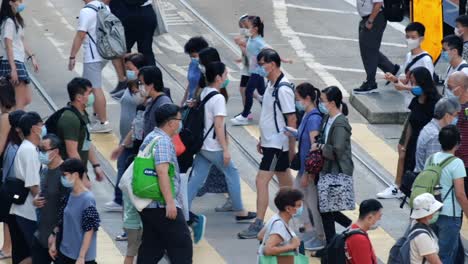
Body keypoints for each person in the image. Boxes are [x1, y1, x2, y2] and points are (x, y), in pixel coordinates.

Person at [187, 62, 256, 229]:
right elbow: (219, 126)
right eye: (225, 75)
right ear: (218, 77)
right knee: (232, 173)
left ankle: (184, 208)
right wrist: (225, 149)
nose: (226, 78)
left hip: (202, 144)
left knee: (197, 178)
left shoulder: (205, 92)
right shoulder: (218, 98)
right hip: (213, 145)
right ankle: (239, 211)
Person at [238, 49, 295, 239]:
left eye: (262, 64)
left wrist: (291, 149)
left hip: (277, 145)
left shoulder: (283, 88)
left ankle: (259, 223)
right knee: (287, 185)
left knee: (261, 181)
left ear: (272, 64)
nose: (260, 67)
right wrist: (263, 138)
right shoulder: (271, 85)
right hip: (271, 142)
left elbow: (291, 119)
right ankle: (305, 218)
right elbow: (270, 115)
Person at [136, 104, 192, 264]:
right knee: (183, 247)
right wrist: (170, 203)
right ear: (170, 122)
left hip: (149, 204)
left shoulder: (151, 137)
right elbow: (162, 171)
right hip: (161, 205)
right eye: (179, 120)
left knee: (152, 248)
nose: (181, 123)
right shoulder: (163, 142)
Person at [377, 67, 441, 199]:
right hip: (413, 139)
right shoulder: (416, 100)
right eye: (411, 82)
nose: (413, 86)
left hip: (428, 142)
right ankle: (399, 187)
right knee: (406, 161)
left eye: (415, 83)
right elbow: (411, 123)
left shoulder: (436, 103)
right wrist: (404, 144)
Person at [104, 53, 148, 213]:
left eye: (130, 68)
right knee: (122, 167)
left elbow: (140, 116)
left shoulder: (143, 90)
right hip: (126, 137)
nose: (127, 71)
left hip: (134, 138)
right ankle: (119, 199)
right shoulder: (131, 85)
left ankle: (123, 200)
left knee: (126, 169)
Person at [285, 82, 325, 250]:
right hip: (303, 169)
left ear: (308, 99)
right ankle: (311, 231)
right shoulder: (308, 115)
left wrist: (308, 174)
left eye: (298, 99)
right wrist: (293, 133)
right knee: (302, 201)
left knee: (311, 204)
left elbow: (314, 146)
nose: (296, 102)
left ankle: (320, 237)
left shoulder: (314, 118)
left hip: (308, 171)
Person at [231, 16, 292, 125]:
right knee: (263, 93)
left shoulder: (259, 41)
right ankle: (278, 110)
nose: (246, 29)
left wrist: (284, 60)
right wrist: (241, 53)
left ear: (255, 29)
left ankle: (245, 115)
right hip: (253, 70)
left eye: (248, 27)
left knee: (249, 91)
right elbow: (250, 52)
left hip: (258, 71)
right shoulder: (251, 39)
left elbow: (271, 51)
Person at [312, 86, 353, 243]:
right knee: (325, 208)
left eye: (323, 101)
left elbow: (337, 151)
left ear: (333, 103)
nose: (320, 103)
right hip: (325, 169)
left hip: (336, 171)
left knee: (327, 208)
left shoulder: (340, 123)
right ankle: (331, 244)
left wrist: (320, 147)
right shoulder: (327, 118)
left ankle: (351, 227)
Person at [68, 0, 112, 133]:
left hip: (93, 56)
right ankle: (96, 116)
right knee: (91, 86)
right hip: (105, 52)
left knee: (94, 87)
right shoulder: (104, 7)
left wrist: (72, 56)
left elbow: (80, 35)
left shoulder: (86, 11)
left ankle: (103, 122)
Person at [48, 159, 100, 264]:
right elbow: (61, 221)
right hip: (64, 252)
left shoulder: (87, 199)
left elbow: (89, 229)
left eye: (64, 175)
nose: (62, 178)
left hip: (80, 258)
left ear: (75, 175)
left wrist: (81, 257)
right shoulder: (68, 194)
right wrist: (54, 241)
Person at [8, 111, 44, 264]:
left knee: (32, 254)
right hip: (29, 212)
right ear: (35, 128)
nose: (43, 128)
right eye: (41, 125)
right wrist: (44, 205)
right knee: (38, 255)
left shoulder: (28, 148)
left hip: (24, 211)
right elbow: (33, 184)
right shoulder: (29, 151)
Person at [56, 78, 105, 187]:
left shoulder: (82, 113)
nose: (92, 96)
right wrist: (83, 178)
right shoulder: (70, 118)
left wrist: (96, 165)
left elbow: (86, 141)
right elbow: (72, 152)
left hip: (77, 172)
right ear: (79, 97)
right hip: (70, 175)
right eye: (89, 93)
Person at [429, 125, 468, 263]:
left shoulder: (432, 159)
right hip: (450, 215)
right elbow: (460, 194)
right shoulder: (457, 163)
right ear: (457, 143)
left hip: (432, 212)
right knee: (445, 257)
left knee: (434, 254)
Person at [31, 134, 68, 264]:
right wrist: (36, 199)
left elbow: (67, 208)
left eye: (43, 149)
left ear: (56, 151)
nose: (40, 153)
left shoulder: (65, 175)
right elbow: (44, 193)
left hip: (57, 239)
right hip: (41, 234)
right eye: (39, 149)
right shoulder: (45, 171)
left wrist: (55, 233)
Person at [353, 0, 399, 94]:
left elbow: (378, 3)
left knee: (369, 52)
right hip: (369, 18)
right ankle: (392, 69)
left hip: (374, 19)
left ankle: (371, 83)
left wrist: (370, 20)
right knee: (370, 50)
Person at [0, 0, 39, 109]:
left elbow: (21, 40)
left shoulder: (16, 20)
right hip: (13, 62)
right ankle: (15, 123)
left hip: (17, 61)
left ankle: (11, 119)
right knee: (19, 102)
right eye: (19, 1)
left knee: (25, 99)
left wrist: (32, 56)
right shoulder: (9, 22)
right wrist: (13, 68)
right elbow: (8, 45)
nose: (21, 3)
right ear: (10, 3)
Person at [384, 22, 435, 92]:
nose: (409, 40)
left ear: (421, 39)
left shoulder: (426, 60)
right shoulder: (409, 55)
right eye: (407, 37)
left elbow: (428, 86)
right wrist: (394, 79)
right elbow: (406, 79)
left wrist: (404, 88)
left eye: (413, 37)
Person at [414, 98, 460, 173]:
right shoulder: (435, 136)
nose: (456, 119)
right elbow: (433, 169)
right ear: (447, 116)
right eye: (455, 115)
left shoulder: (429, 127)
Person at [257, 187, 303, 259]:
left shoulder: (275, 218)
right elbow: (268, 250)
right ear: (288, 208)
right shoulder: (280, 226)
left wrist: (279, 243)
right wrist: (292, 246)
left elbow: (260, 236)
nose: (301, 208)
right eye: (299, 205)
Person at [109, 0, 157, 66]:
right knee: (146, 51)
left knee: (122, 52)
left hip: (124, 13)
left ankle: (127, 74)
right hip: (146, 13)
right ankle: (150, 75)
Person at [0, 78, 16, 260]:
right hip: (12, 166)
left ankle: (7, 247)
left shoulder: (5, 118)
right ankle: (7, 246)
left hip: (7, 168)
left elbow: (0, 146)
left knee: (6, 211)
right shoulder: (16, 112)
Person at [343, 199, 382, 264]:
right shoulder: (359, 240)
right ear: (370, 218)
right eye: (379, 216)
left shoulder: (352, 229)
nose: (380, 219)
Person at [409, 193, 443, 264]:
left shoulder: (415, 224)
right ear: (428, 214)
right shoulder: (422, 236)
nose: (436, 212)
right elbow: (435, 261)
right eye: (435, 211)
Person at [234, 14, 253, 120]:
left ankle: (246, 112)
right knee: (244, 89)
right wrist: (241, 59)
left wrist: (240, 45)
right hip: (248, 67)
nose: (241, 29)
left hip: (251, 67)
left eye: (243, 26)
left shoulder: (251, 38)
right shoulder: (247, 37)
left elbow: (250, 53)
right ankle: (246, 112)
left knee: (246, 89)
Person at [181, 36, 209, 106]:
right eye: (191, 57)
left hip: (200, 102)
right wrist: (184, 100)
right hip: (191, 101)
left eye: (194, 56)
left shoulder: (207, 68)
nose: (193, 59)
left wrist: (195, 101)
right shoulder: (192, 64)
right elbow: (190, 83)